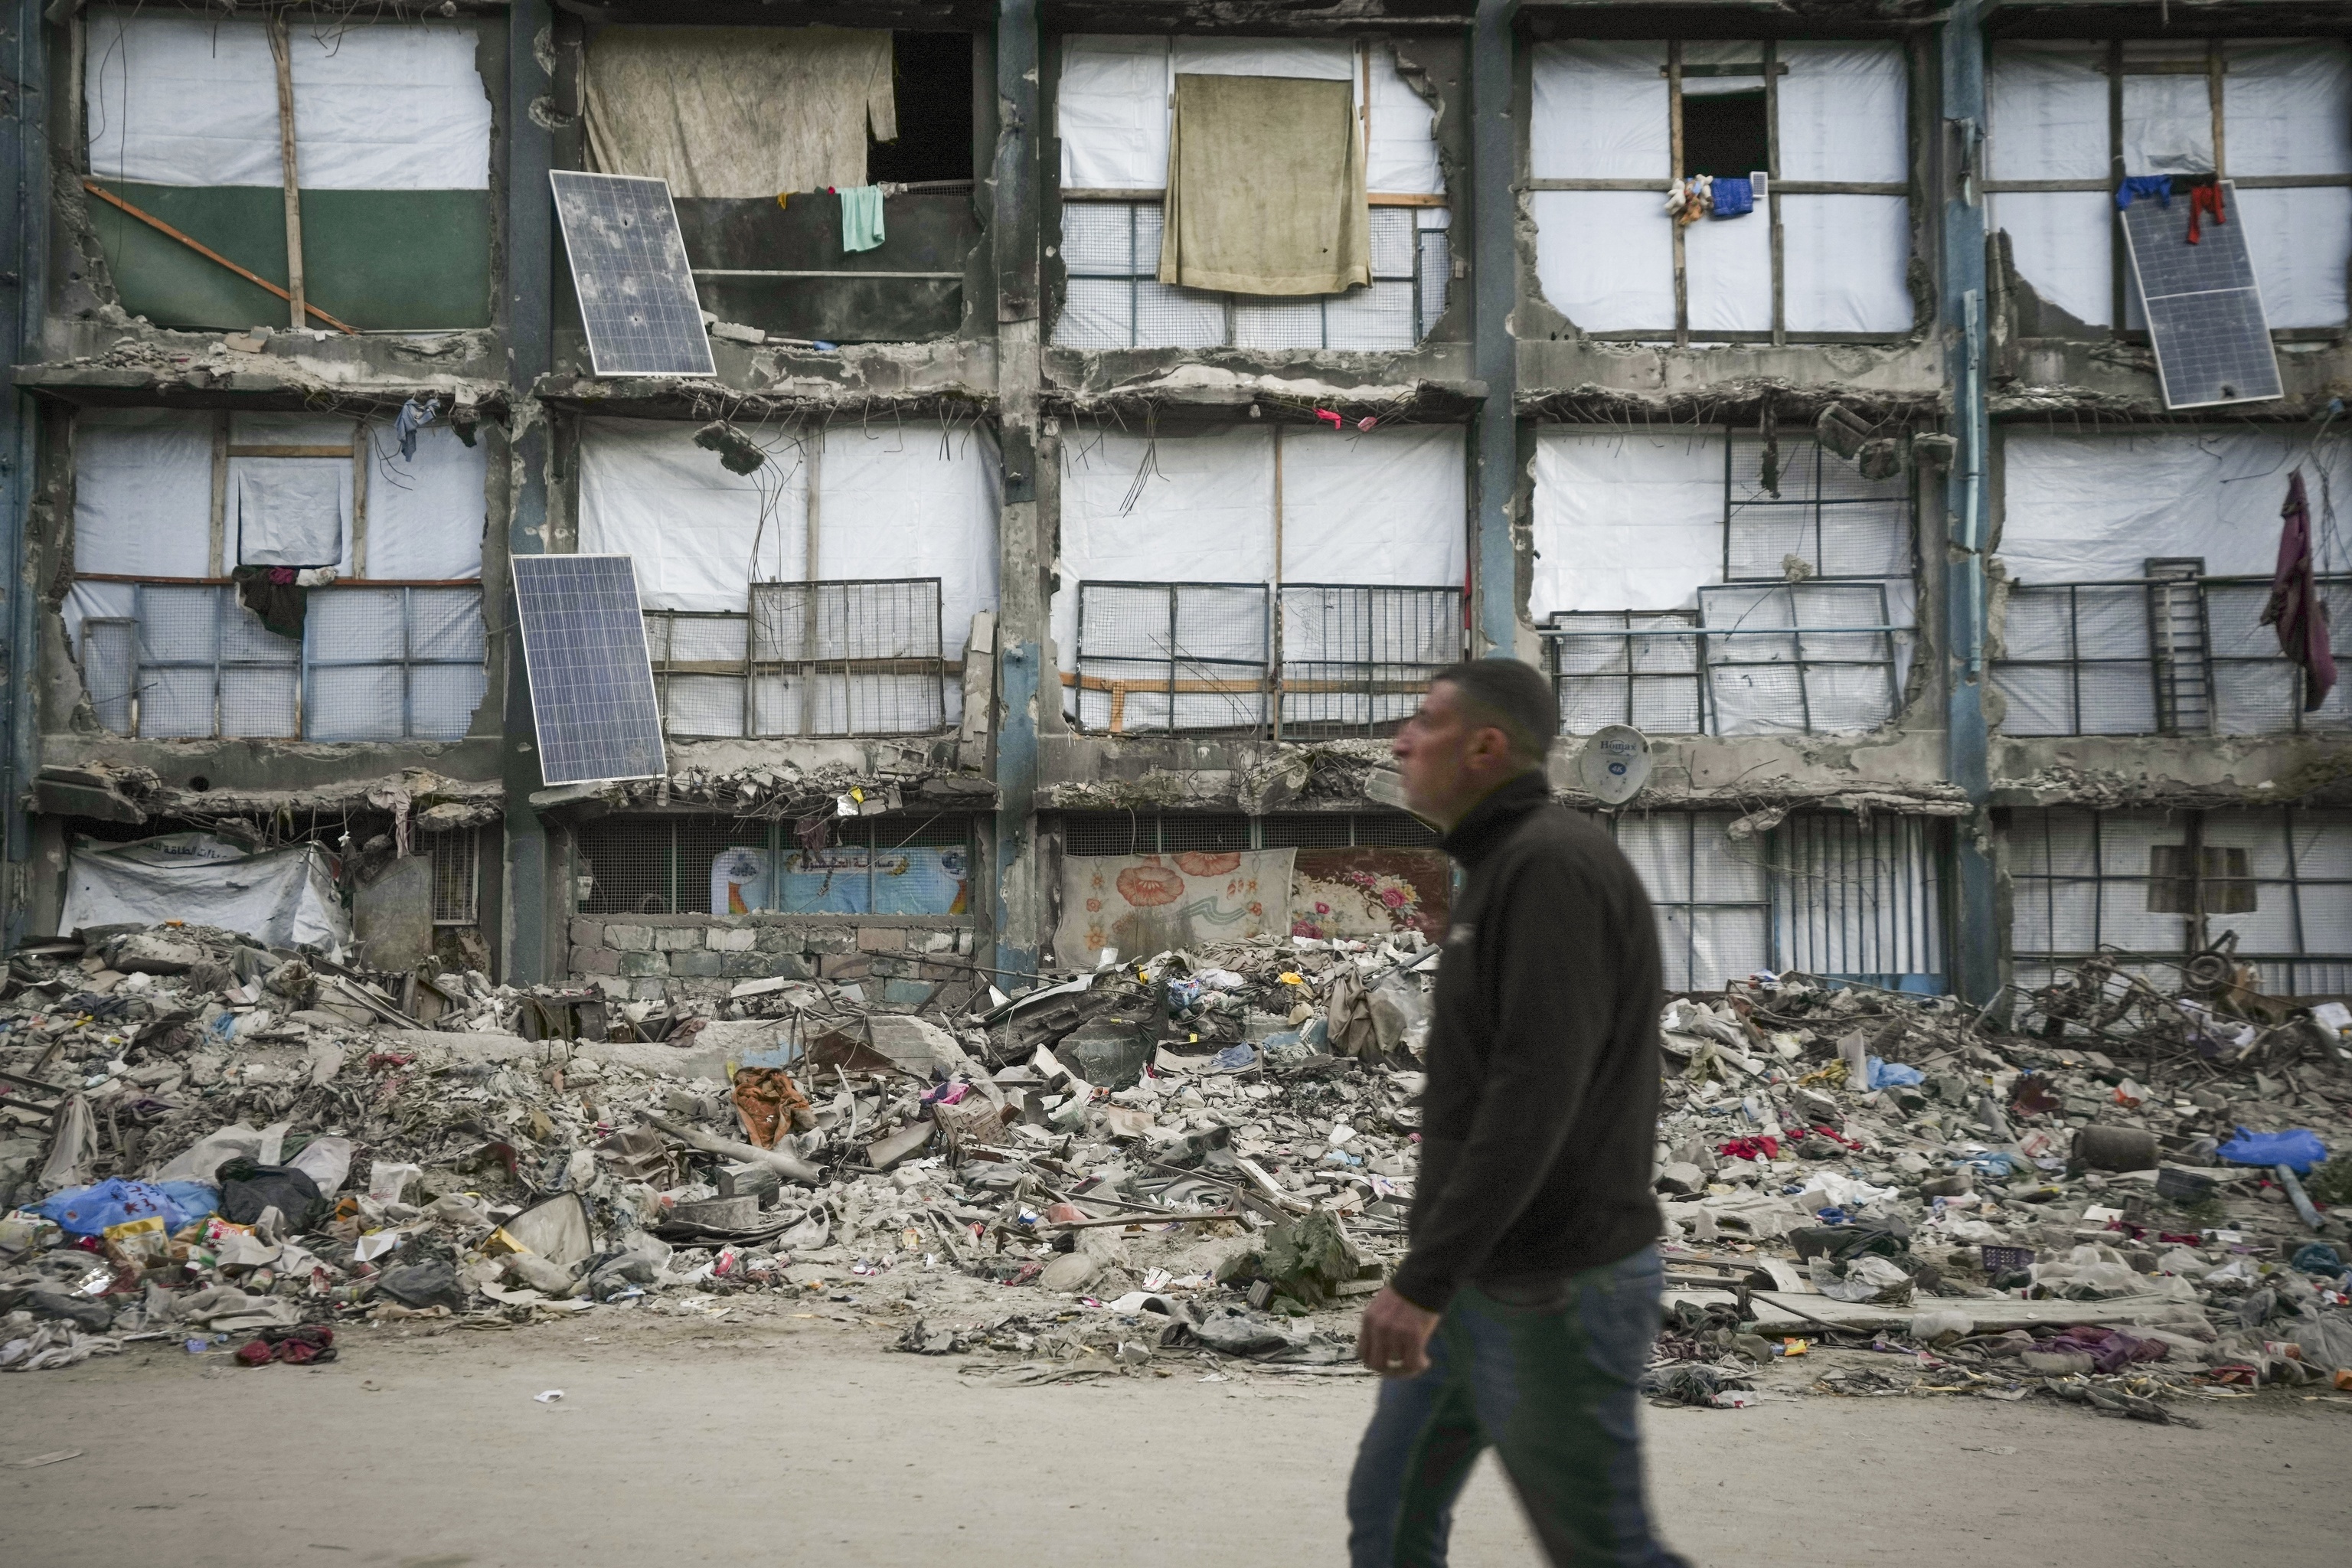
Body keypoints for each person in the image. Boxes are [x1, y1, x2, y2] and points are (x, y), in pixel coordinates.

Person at [1347, 658, 1687, 1568]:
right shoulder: (1500, 868)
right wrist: (1435, 1274)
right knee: (1389, 1512)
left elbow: (1533, 1097)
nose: (1400, 738)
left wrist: (1421, 1280)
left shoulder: (1550, 867)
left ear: (1486, 745)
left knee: (1606, 1550)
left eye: (1424, 720)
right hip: (1475, 1281)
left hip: (1554, 1284)